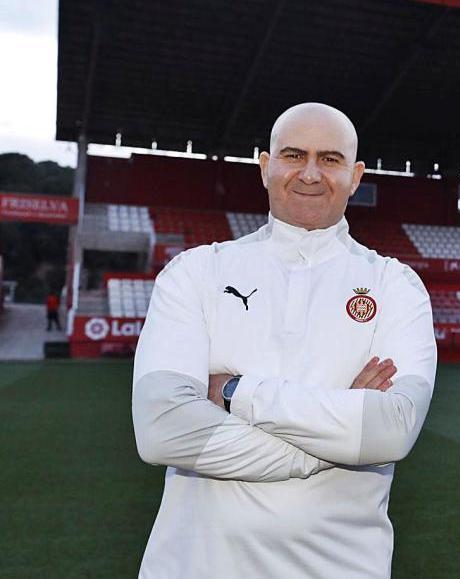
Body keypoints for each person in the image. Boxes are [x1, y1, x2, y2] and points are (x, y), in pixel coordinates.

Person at [131, 102, 437, 578]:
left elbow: (390, 429)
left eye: (330, 159)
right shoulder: (195, 271)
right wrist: (340, 434)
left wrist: (236, 392)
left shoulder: (396, 286)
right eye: (294, 155)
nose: (311, 174)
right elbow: (161, 429)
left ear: (356, 176)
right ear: (265, 166)